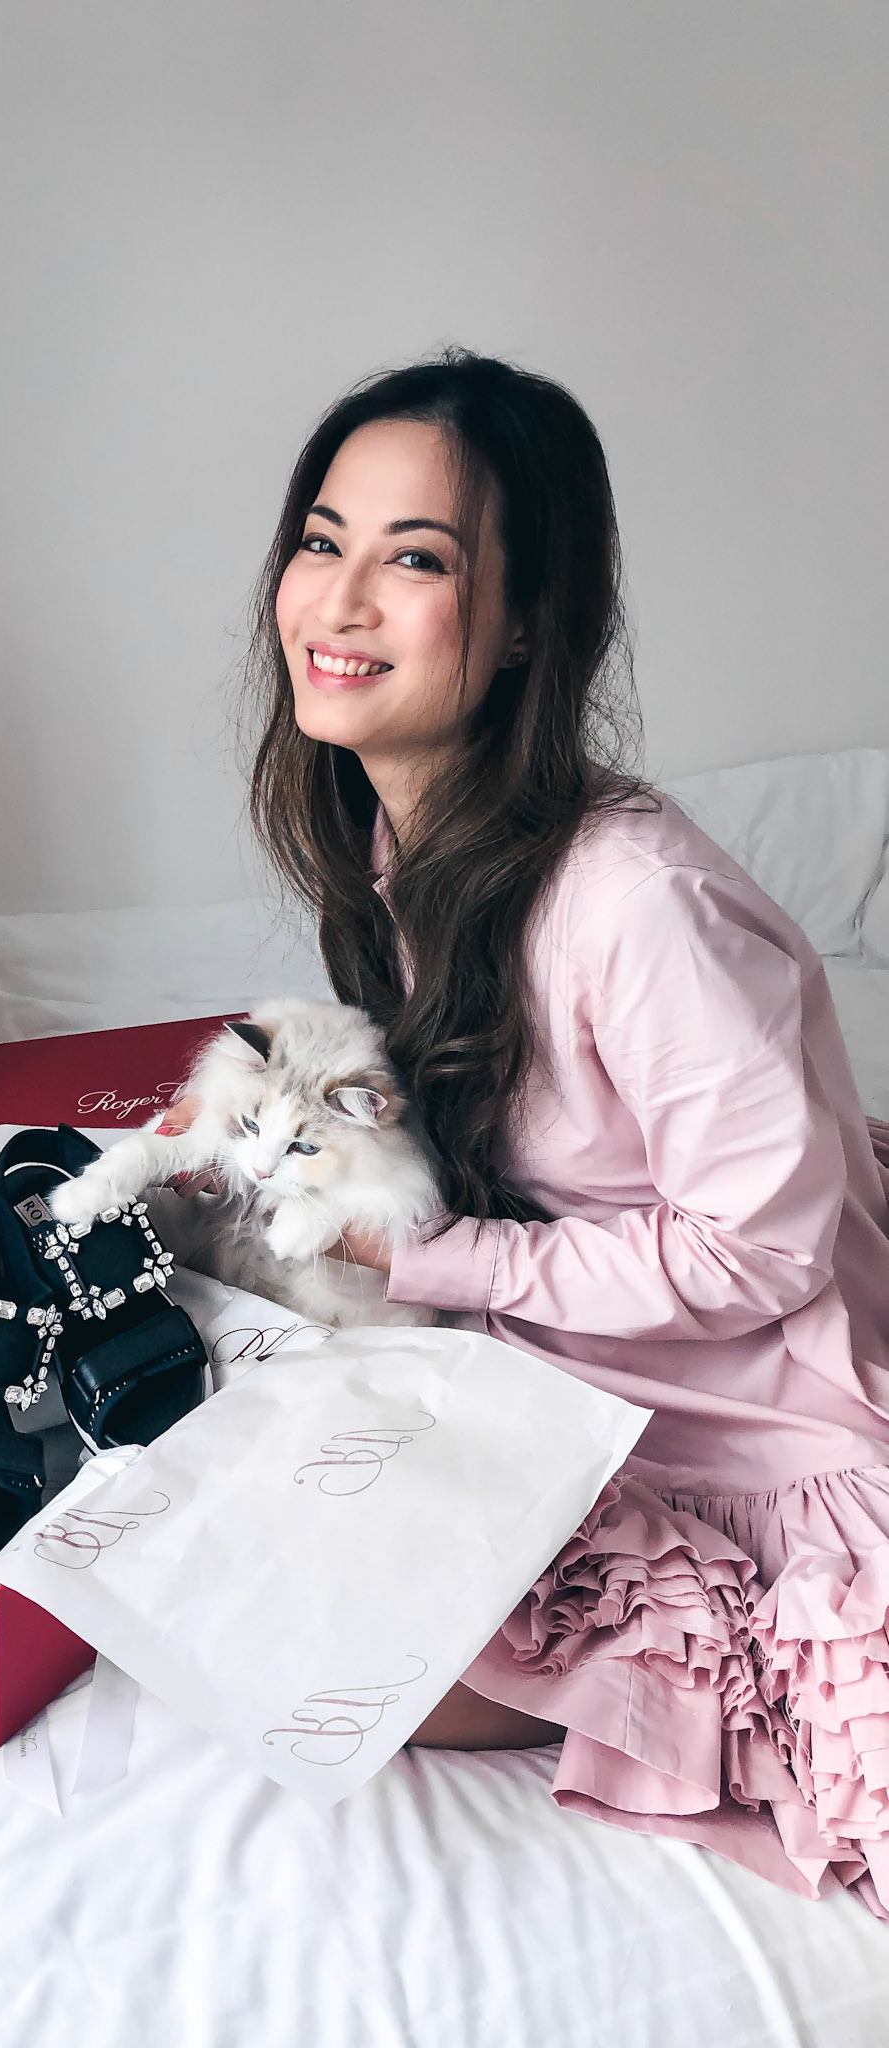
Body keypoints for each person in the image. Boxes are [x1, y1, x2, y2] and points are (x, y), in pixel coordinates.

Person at [166, 350, 889, 1915]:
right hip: (577, 1359)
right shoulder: (394, 835)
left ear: (523, 625)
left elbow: (764, 1253)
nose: (339, 600)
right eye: (321, 541)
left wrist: (432, 1259)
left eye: (415, 561)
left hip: (760, 1412)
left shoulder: (638, 903)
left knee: (347, 1655)